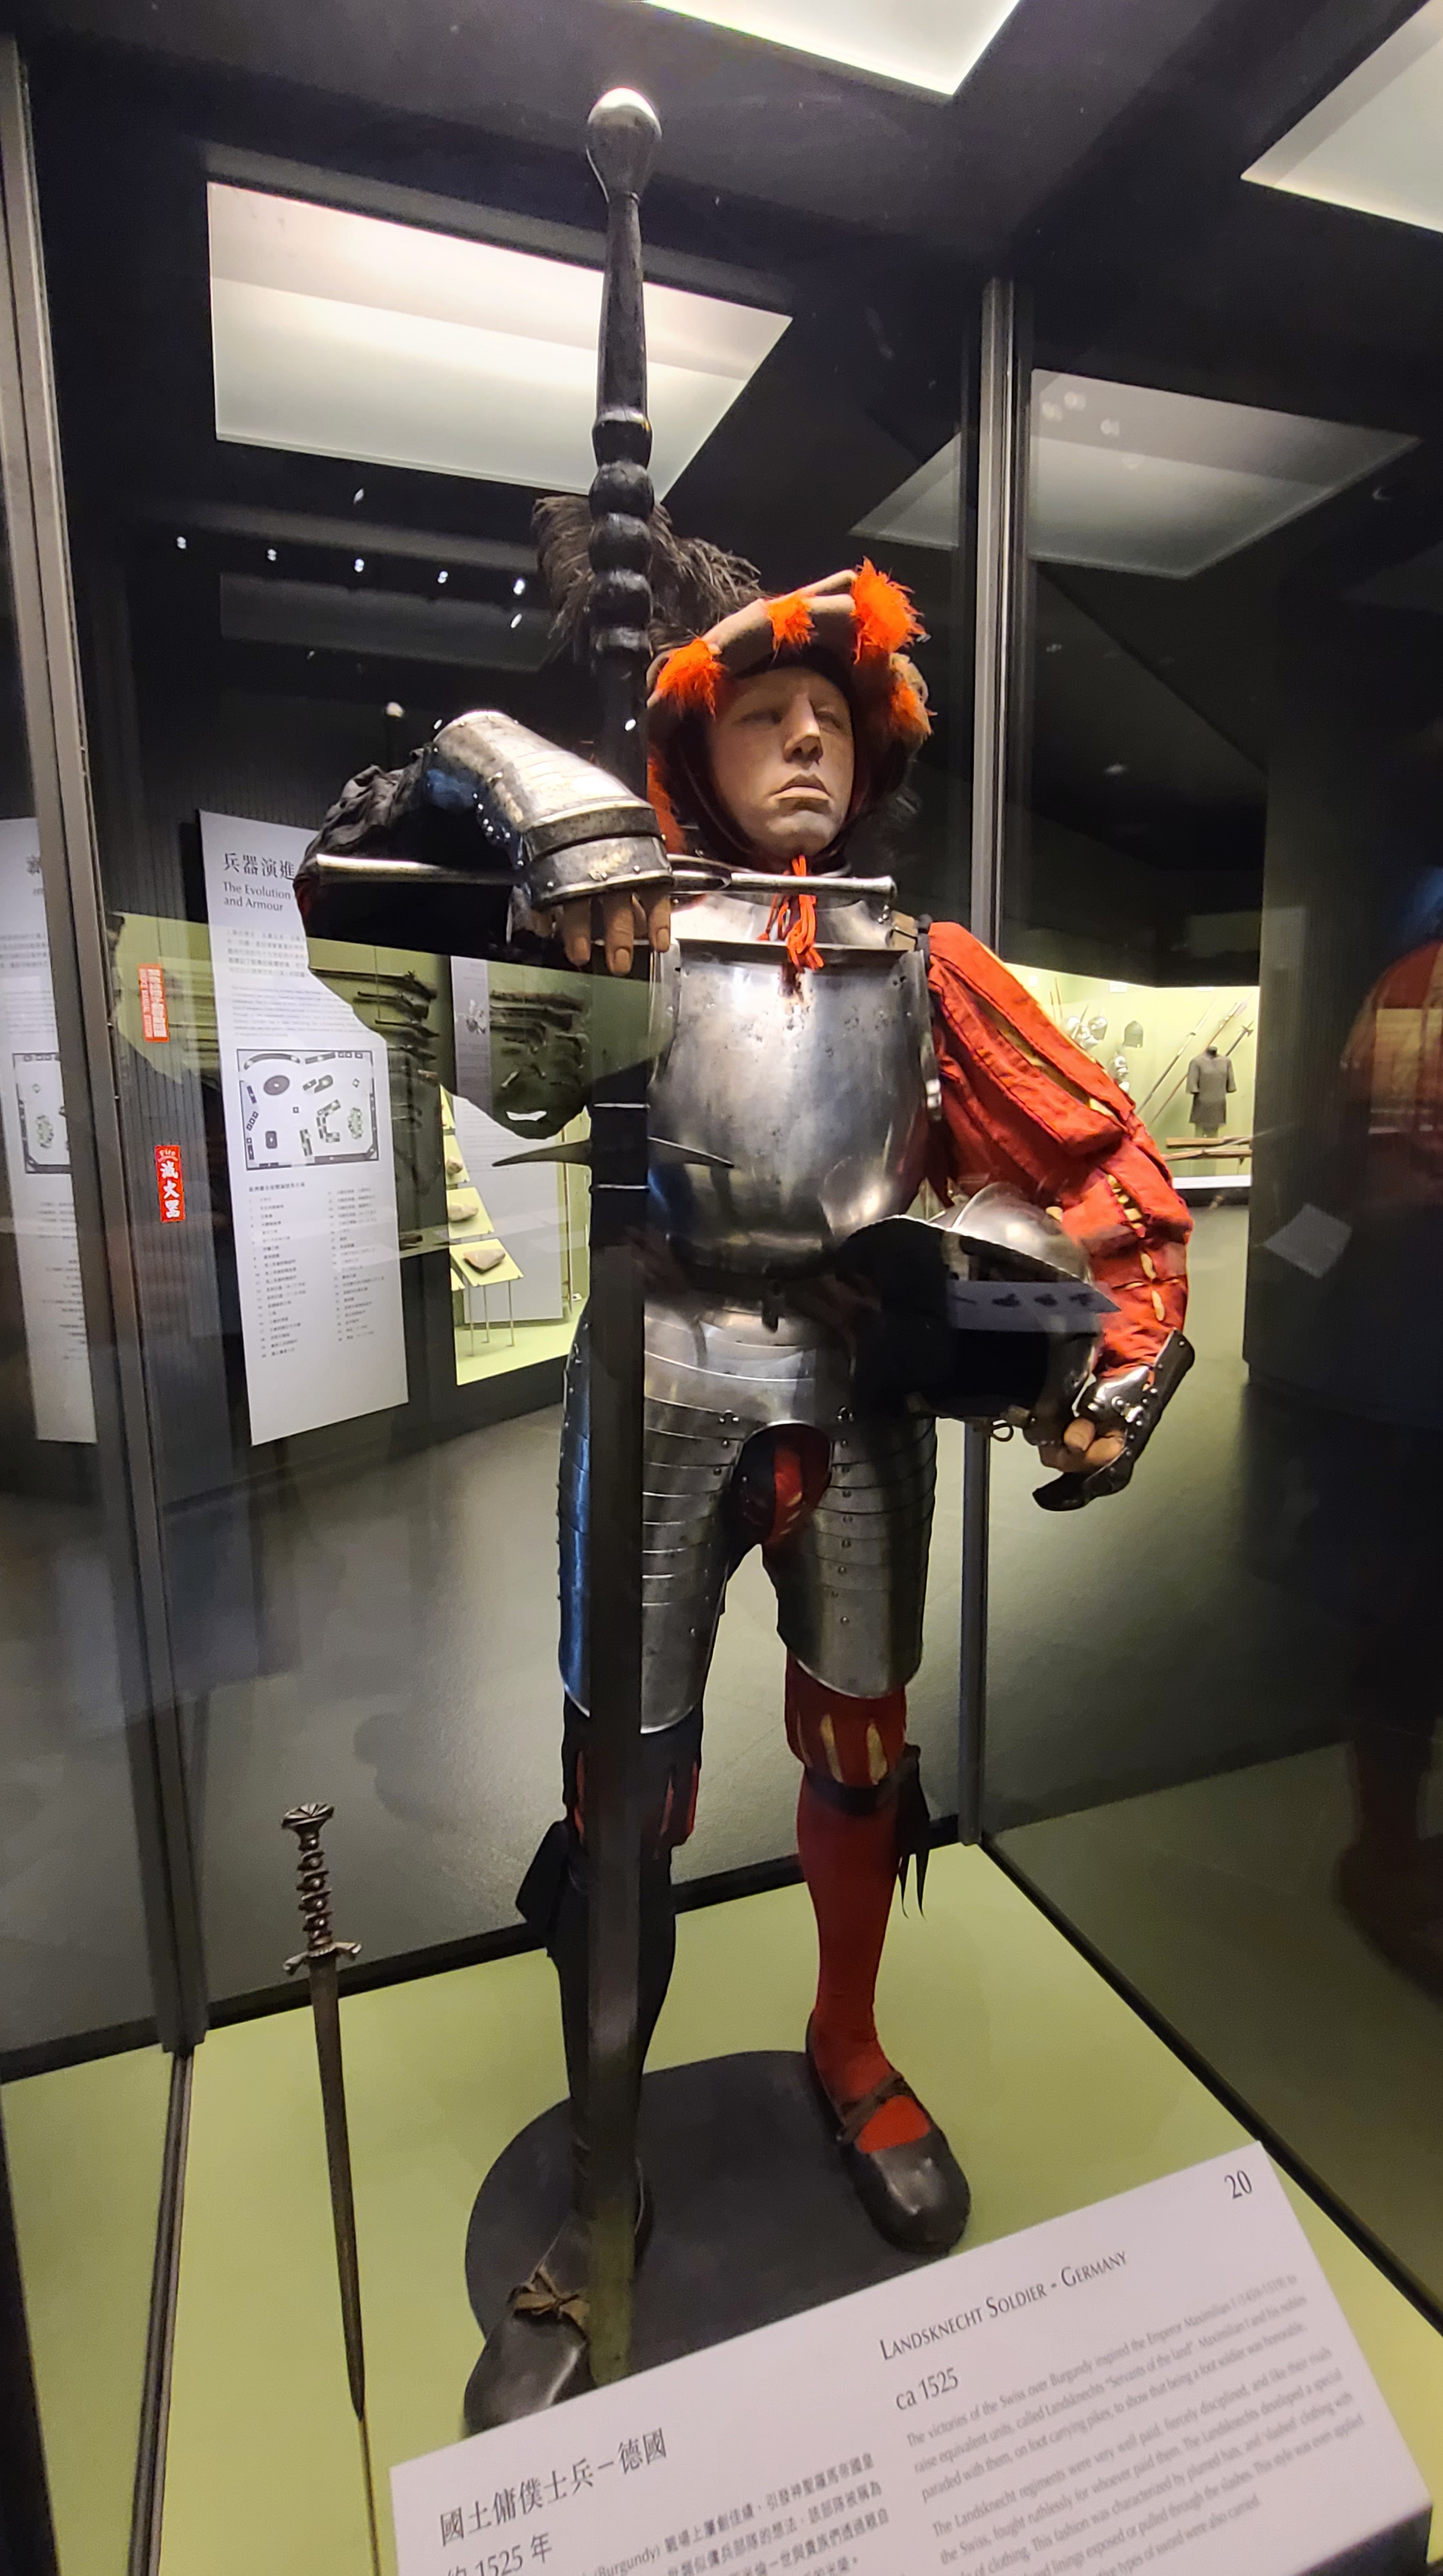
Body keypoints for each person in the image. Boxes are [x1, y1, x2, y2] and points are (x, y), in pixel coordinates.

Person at [302, 515, 1194, 2428]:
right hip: (657, 1371)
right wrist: (519, 777)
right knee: (622, 1791)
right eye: (764, 712)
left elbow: (1097, 1154)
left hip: (860, 1379)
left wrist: (1116, 1351)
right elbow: (350, 896)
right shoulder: (619, 934)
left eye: (832, 717)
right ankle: (605, 2165)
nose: (804, 740)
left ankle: (848, 2043)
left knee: (863, 1744)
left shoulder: (919, 961)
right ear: (688, 746)